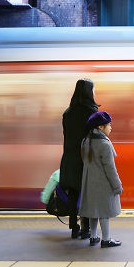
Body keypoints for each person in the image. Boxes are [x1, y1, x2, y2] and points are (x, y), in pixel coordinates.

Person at [59, 79, 99, 239]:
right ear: (89, 92)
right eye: (93, 90)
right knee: (87, 193)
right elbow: (95, 136)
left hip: (69, 157)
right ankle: (86, 228)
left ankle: (74, 227)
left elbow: (66, 135)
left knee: (74, 192)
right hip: (86, 157)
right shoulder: (92, 112)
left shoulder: (67, 113)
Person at [79, 111, 123, 248]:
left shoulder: (86, 141)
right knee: (104, 212)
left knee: (94, 210)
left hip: (89, 183)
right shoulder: (105, 144)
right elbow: (110, 169)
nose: (110, 128)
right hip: (103, 184)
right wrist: (117, 185)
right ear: (100, 127)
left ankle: (93, 237)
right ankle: (106, 239)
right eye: (108, 125)